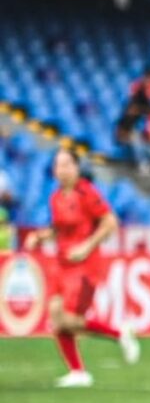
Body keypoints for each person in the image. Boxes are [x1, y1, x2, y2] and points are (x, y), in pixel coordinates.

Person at [23, 150, 140, 388]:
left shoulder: (87, 192)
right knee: (56, 319)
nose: (62, 170)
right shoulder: (56, 197)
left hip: (85, 266)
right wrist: (39, 236)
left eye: (67, 165)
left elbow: (110, 222)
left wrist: (87, 246)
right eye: (58, 166)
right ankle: (78, 372)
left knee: (70, 319)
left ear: (76, 168)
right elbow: (58, 229)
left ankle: (118, 334)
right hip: (61, 263)